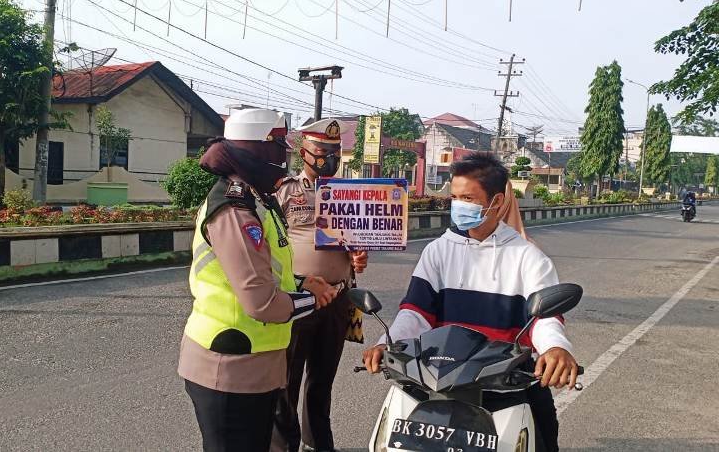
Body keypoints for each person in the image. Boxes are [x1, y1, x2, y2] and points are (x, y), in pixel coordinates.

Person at [362, 153, 579, 452]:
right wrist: (388, 342)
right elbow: (416, 312)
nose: (458, 205)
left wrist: (556, 349)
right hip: (437, 379)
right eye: (454, 197)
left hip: (505, 382)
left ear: (498, 201)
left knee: (544, 432)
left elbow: (545, 319)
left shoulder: (527, 258)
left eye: (468, 198)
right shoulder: (437, 251)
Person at [178, 108, 338, 452]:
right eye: (280, 145)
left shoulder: (257, 200)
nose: (285, 155)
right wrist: (313, 298)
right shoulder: (235, 209)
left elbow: (267, 269)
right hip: (229, 365)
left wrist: (301, 283)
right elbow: (261, 301)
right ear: (259, 149)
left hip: (255, 364)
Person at [272, 119, 369, 452]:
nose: (330, 157)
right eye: (322, 152)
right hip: (298, 298)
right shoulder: (284, 190)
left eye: (335, 152)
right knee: (287, 381)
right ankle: (284, 446)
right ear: (304, 154)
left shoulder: (349, 195)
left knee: (322, 379)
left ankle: (319, 443)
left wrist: (358, 257)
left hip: (338, 298)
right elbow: (269, 243)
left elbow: (356, 242)